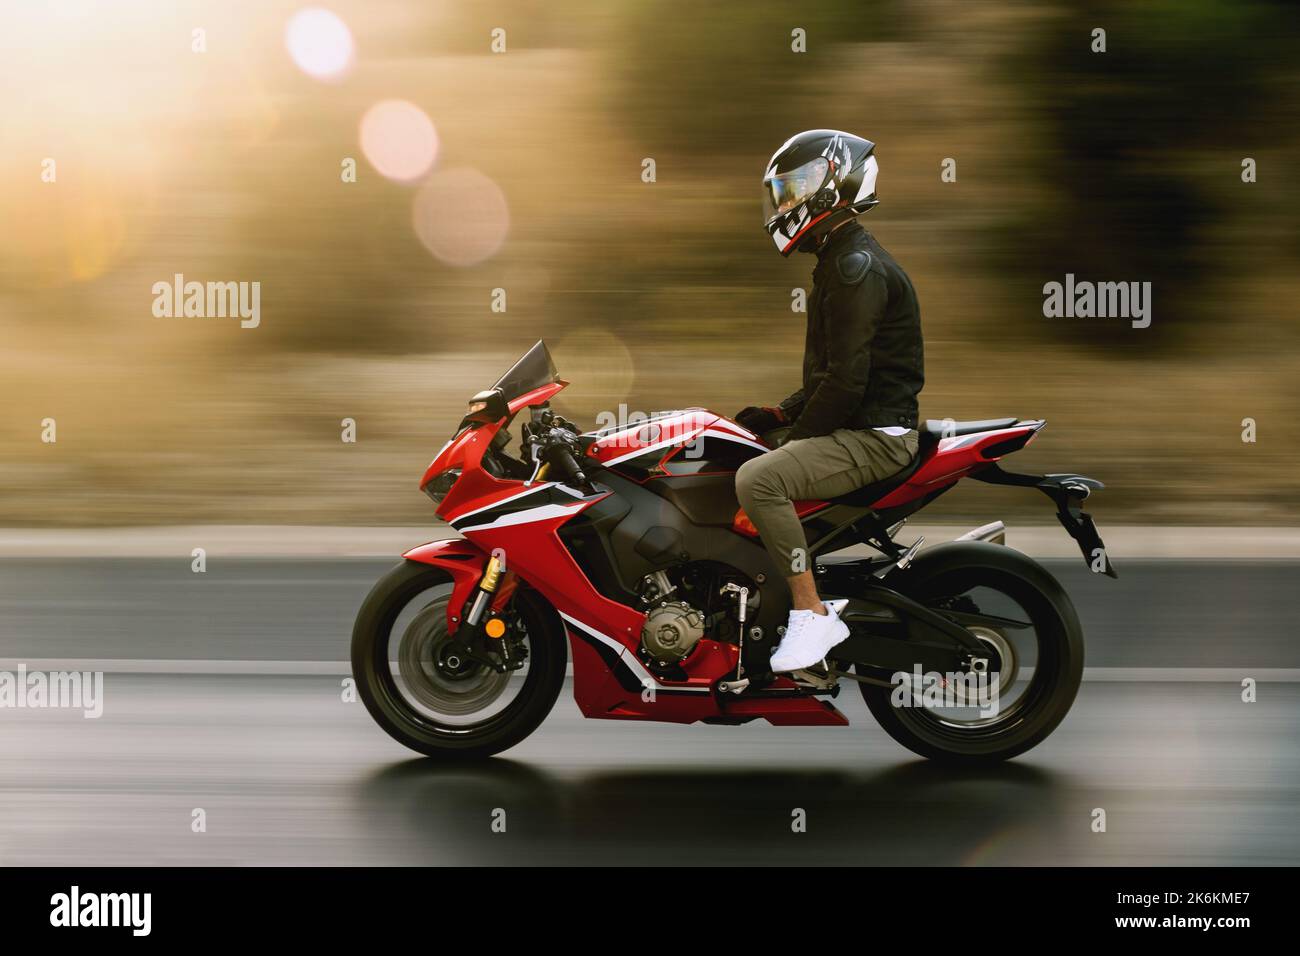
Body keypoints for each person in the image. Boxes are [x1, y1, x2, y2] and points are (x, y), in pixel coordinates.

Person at [734, 130, 925, 672]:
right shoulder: (844, 260)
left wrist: (791, 444)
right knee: (738, 446)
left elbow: (846, 384)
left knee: (758, 479)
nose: (784, 202)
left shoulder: (854, 269)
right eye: (781, 191)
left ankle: (811, 614)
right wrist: (781, 414)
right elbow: (833, 375)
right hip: (863, 424)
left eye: (794, 188)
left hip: (875, 437)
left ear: (829, 183)